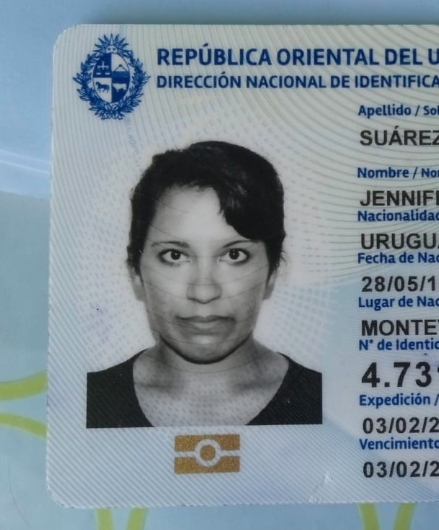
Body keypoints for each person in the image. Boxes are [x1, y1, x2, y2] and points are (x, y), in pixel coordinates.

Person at [86, 141, 321, 428]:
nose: (204, 292)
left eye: (234, 255)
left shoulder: (327, 404)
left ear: (272, 271)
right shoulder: (85, 404)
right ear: (135, 270)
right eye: (174, 256)